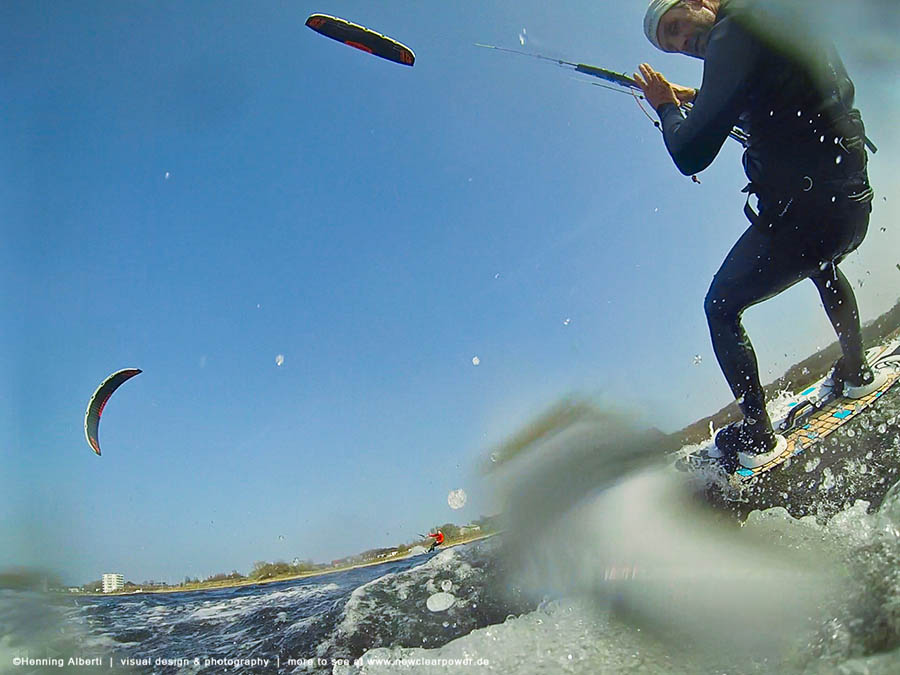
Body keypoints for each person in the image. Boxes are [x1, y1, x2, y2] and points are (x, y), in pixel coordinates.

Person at [633, 0, 885, 470]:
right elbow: (781, 97)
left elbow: (690, 153)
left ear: (698, 2)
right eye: (673, 43)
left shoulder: (733, 33)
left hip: (807, 219)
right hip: (850, 206)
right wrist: (699, 96)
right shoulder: (772, 16)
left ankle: (757, 435)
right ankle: (856, 370)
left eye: (678, 25)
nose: (683, 42)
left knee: (721, 307)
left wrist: (667, 107)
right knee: (823, 266)